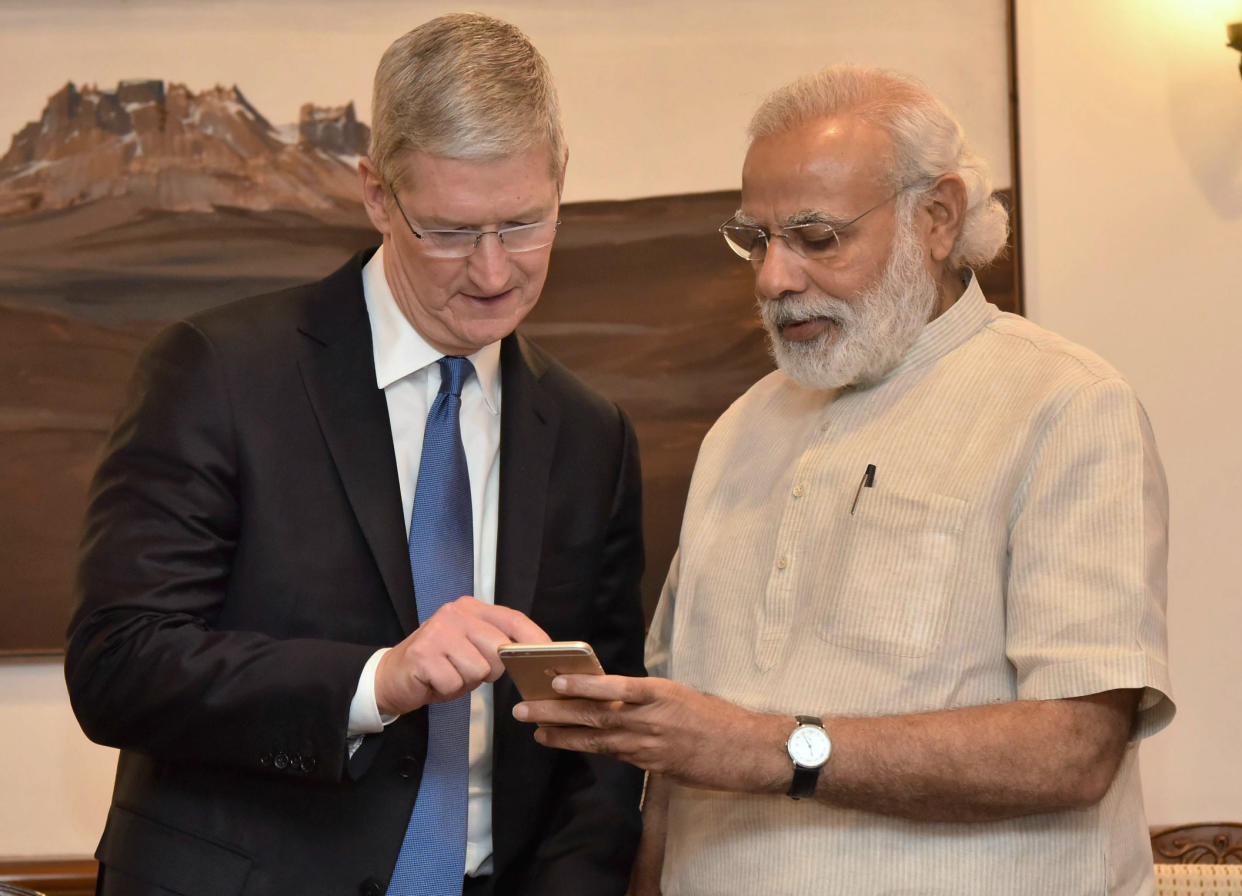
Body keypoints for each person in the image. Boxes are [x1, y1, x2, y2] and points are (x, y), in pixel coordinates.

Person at [516, 64, 1172, 895]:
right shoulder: (738, 433)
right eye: (756, 240)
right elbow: (679, 760)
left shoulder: (1066, 406)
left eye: (817, 238)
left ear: (936, 218)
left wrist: (772, 749)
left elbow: (1075, 749)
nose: (773, 279)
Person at [64, 13, 646, 896]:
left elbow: (598, 738)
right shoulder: (222, 373)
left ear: (562, 176)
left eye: (525, 224)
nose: (493, 273)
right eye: (449, 232)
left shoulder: (588, 432)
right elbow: (119, 665)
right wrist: (380, 680)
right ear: (377, 194)